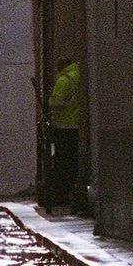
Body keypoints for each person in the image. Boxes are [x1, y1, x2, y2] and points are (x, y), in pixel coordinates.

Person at [44, 57, 81, 214]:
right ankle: (73, 191)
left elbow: (54, 102)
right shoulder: (78, 75)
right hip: (78, 124)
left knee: (61, 161)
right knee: (73, 160)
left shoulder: (64, 80)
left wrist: (49, 98)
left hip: (63, 126)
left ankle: (61, 194)